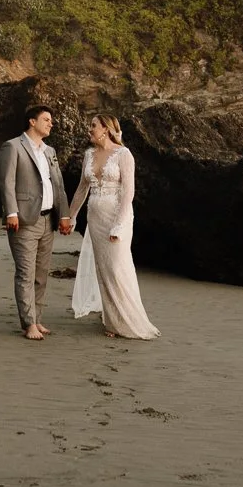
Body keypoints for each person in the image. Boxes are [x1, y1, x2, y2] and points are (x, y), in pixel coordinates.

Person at [68, 115, 159, 339]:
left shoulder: (123, 154)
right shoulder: (89, 155)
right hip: (95, 218)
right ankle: (112, 322)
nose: (89, 130)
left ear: (106, 129)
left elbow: (128, 192)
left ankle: (131, 321)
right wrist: (71, 218)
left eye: (93, 126)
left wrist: (119, 225)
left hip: (118, 217)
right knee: (104, 269)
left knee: (118, 267)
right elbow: (81, 189)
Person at [0, 103, 73, 341]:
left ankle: (37, 319)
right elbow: (7, 182)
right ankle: (28, 324)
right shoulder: (13, 146)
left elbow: (58, 185)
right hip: (23, 219)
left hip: (48, 220)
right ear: (32, 121)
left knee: (41, 274)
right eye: (46, 119)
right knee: (25, 274)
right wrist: (11, 212)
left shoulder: (49, 151)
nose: (51, 123)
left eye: (51, 120)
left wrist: (63, 215)